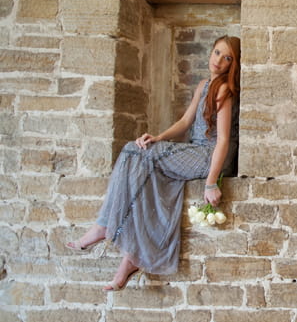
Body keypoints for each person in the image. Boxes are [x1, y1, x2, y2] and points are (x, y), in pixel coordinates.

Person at [66, 35, 240, 291]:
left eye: (227, 58)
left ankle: (104, 226)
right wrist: (158, 137)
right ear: (210, 52)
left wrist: (211, 182)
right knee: (142, 167)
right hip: (194, 151)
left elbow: (223, 140)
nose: (219, 61)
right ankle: (132, 257)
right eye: (217, 53)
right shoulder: (204, 85)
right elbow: (184, 123)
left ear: (233, 64)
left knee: (133, 152)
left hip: (208, 156)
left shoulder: (224, 89)